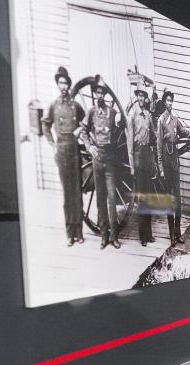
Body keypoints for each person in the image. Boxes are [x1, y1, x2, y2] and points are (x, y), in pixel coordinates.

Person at [41, 66, 85, 246]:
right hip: (61, 151)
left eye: (66, 82)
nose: (64, 86)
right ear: (58, 84)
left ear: (69, 84)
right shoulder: (53, 105)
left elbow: (84, 120)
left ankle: (80, 232)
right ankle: (70, 233)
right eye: (61, 82)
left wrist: (79, 130)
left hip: (74, 150)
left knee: (77, 192)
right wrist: (52, 144)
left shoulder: (75, 105)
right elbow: (45, 124)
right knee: (67, 195)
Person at [82, 85, 121, 250]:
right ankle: (104, 236)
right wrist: (89, 146)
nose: (99, 95)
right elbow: (83, 131)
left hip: (110, 159)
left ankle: (114, 237)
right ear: (94, 94)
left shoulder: (112, 112)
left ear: (105, 94)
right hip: (97, 159)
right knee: (100, 200)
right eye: (97, 92)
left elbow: (119, 128)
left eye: (101, 93)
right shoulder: (91, 112)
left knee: (112, 198)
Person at [156, 90, 190, 246]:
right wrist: (160, 168)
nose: (170, 103)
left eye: (172, 100)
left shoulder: (175, 119)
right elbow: (159, 146)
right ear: (164, 102)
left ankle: (178, 233)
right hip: (165, 159)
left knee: (177, 198)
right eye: (168, 100)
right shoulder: (161, 120)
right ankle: (171, 235)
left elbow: (183, 130)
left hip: (174, 159)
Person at [128, 87, 157, 246]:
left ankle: (150, 234)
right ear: (136, 97)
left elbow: (154, 135)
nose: (141, 98)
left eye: (143, 96)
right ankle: (143, 237)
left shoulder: (148, 116)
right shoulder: (132, 116)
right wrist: (132, 166)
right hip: (138, 156)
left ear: (145, 98)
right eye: (139, 95)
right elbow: (129, 143)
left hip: (147, 156)